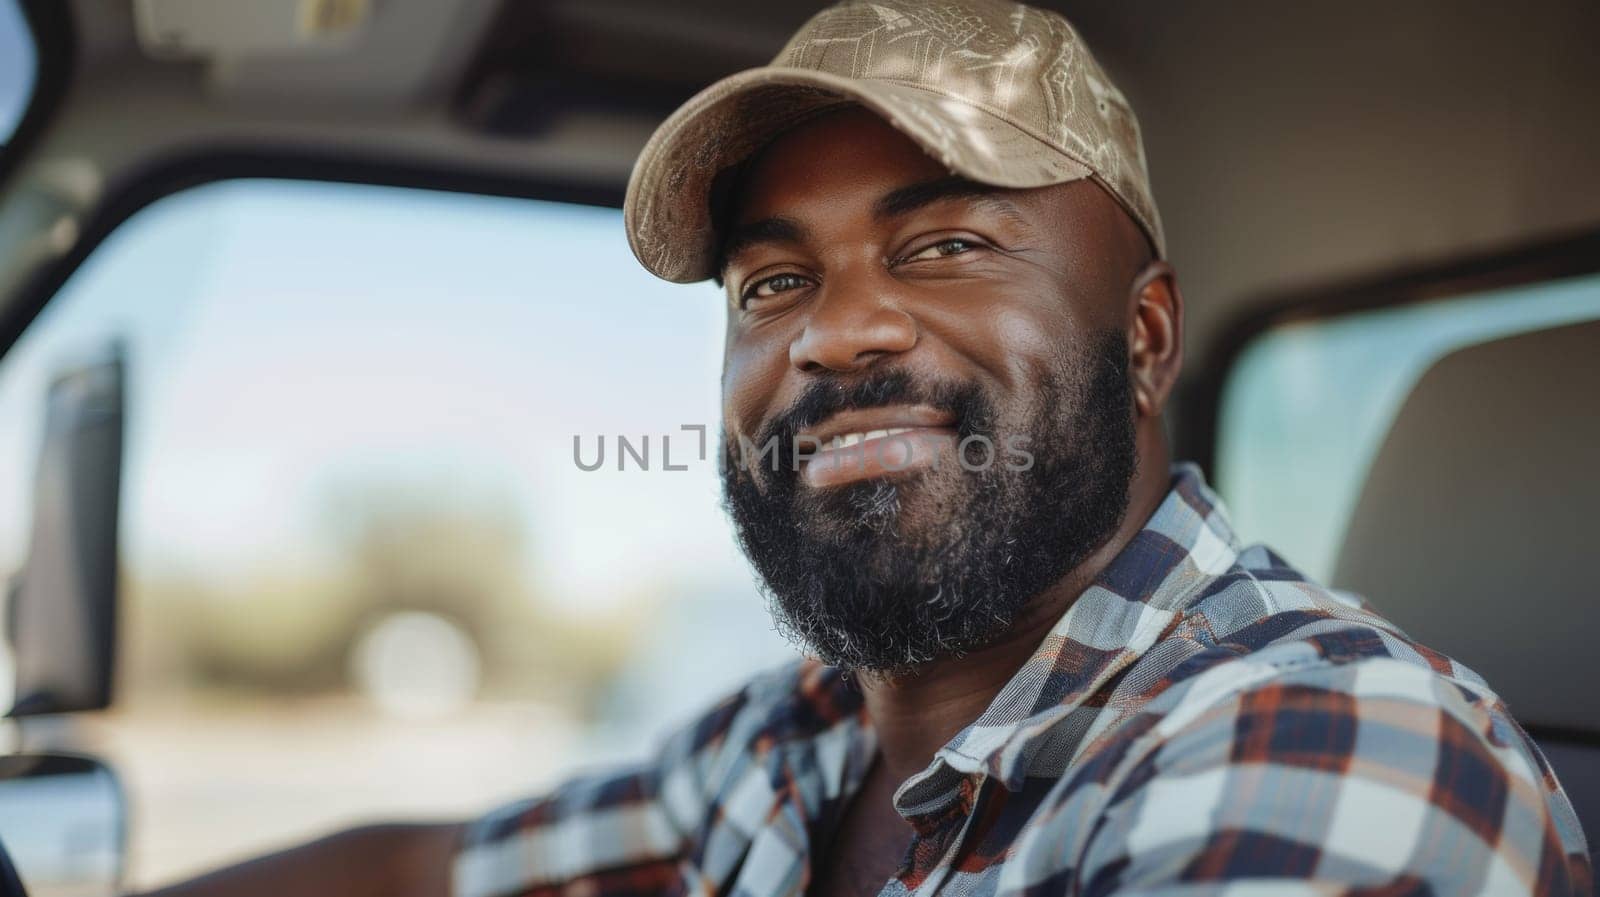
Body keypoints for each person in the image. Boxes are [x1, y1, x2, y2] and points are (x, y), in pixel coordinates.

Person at [147, 1, 1592, 895]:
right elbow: (427, 870)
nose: (833, 336)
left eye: (947, 243)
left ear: (1145, 341)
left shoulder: (1332, 746)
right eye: (773, 283)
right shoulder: (800, 742)